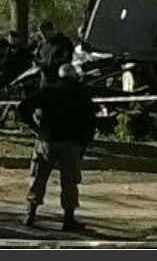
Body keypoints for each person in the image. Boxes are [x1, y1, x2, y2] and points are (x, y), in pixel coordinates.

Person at [17, 64, 98, 231]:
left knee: (38, 178)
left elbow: (23, 107)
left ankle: (30, 214)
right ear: (74, 76)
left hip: (47, 141)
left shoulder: (48, 90)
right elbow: (91, 119)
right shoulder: (81, 92)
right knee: (70, 182)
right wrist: (84, 142)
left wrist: (35, 127)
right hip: (71, 143)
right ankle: (68, 219)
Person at [36, 21, 74, 86]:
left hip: (60, 79)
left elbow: (68, 59)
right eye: (41, 33)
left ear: (52, 30)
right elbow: (37, 58)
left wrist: (49, 63)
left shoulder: (64, 41)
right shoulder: (41, 45)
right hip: (45, 80)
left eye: (45, 32)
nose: (43, 36)